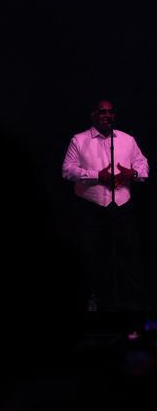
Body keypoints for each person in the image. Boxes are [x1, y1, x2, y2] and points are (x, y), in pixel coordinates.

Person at [62, 99, 149, 312]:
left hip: (122, 207)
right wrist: (96, 176)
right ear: (93, 115)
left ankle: (131, 305)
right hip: (91, 208)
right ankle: (96, 303)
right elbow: (67, 170)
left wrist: (133, 173)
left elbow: (143, 165)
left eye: (110, 112)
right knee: (94, 256)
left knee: (128, 255)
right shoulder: (79, 140)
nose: (107, 116)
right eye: (102, 112)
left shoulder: (127, 140)